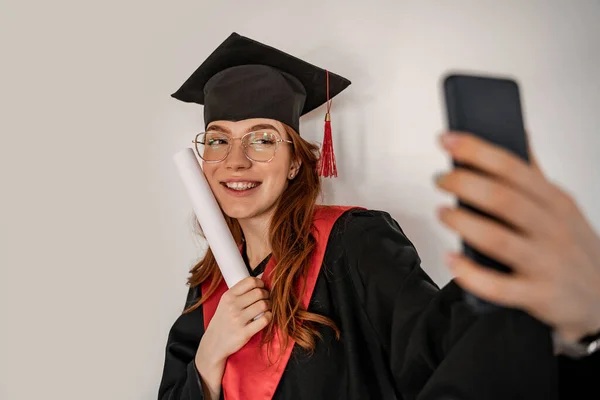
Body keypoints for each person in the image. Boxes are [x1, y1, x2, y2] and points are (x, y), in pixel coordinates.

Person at [158, 32, 600, 400]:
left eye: (262, 139)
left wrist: (547, 306)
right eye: (218, 140)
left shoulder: (352, 243)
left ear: (295, 162)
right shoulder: (207, 286)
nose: (235, 161)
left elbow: (439, 346)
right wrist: (207, 359)